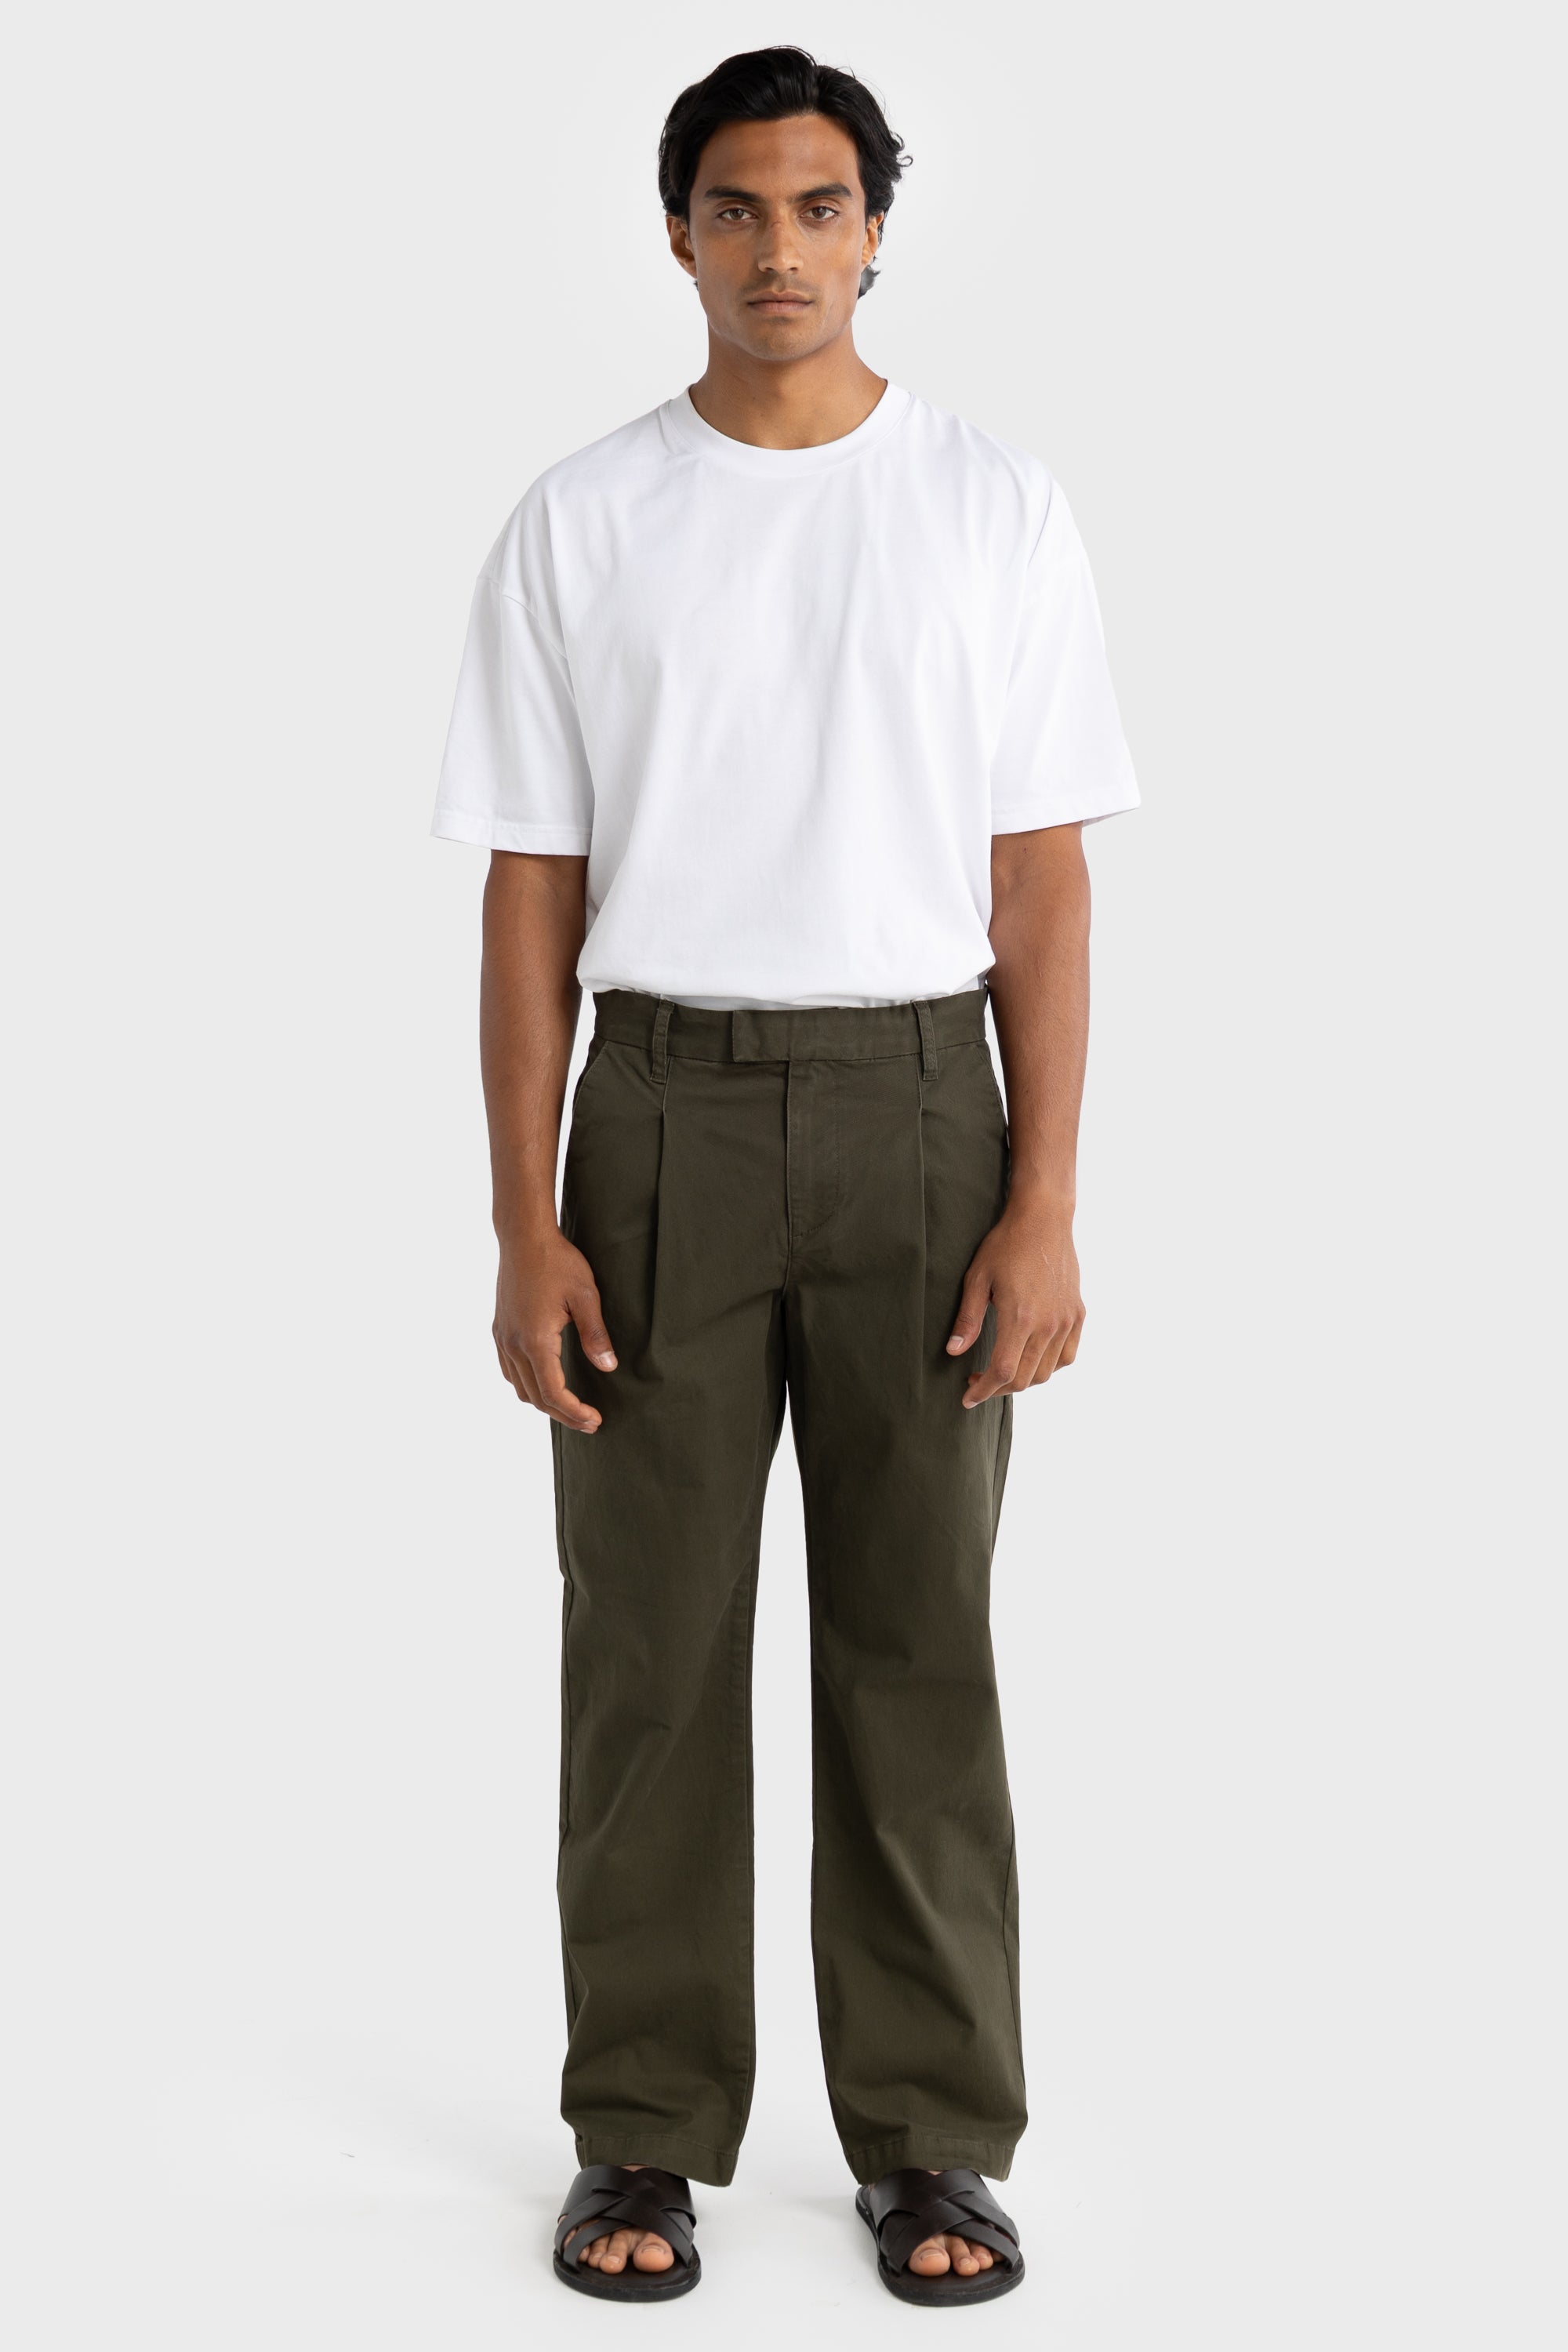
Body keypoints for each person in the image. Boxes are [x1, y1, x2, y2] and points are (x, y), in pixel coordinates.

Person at [432, 45, 1138, 2308]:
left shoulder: (992, 508)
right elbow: (531, 892)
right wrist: (524, 1214)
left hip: (929, 1108)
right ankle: (641, 2129)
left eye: (820, 207)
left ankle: (934, 2140)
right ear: (676, 234)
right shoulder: (585, 519)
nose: (778, 250)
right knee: (648, 1651)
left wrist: (1043, 1197)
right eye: (734, 208)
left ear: (875, 232)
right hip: (662, 1112)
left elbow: (1041, 884)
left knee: (919, 1645)